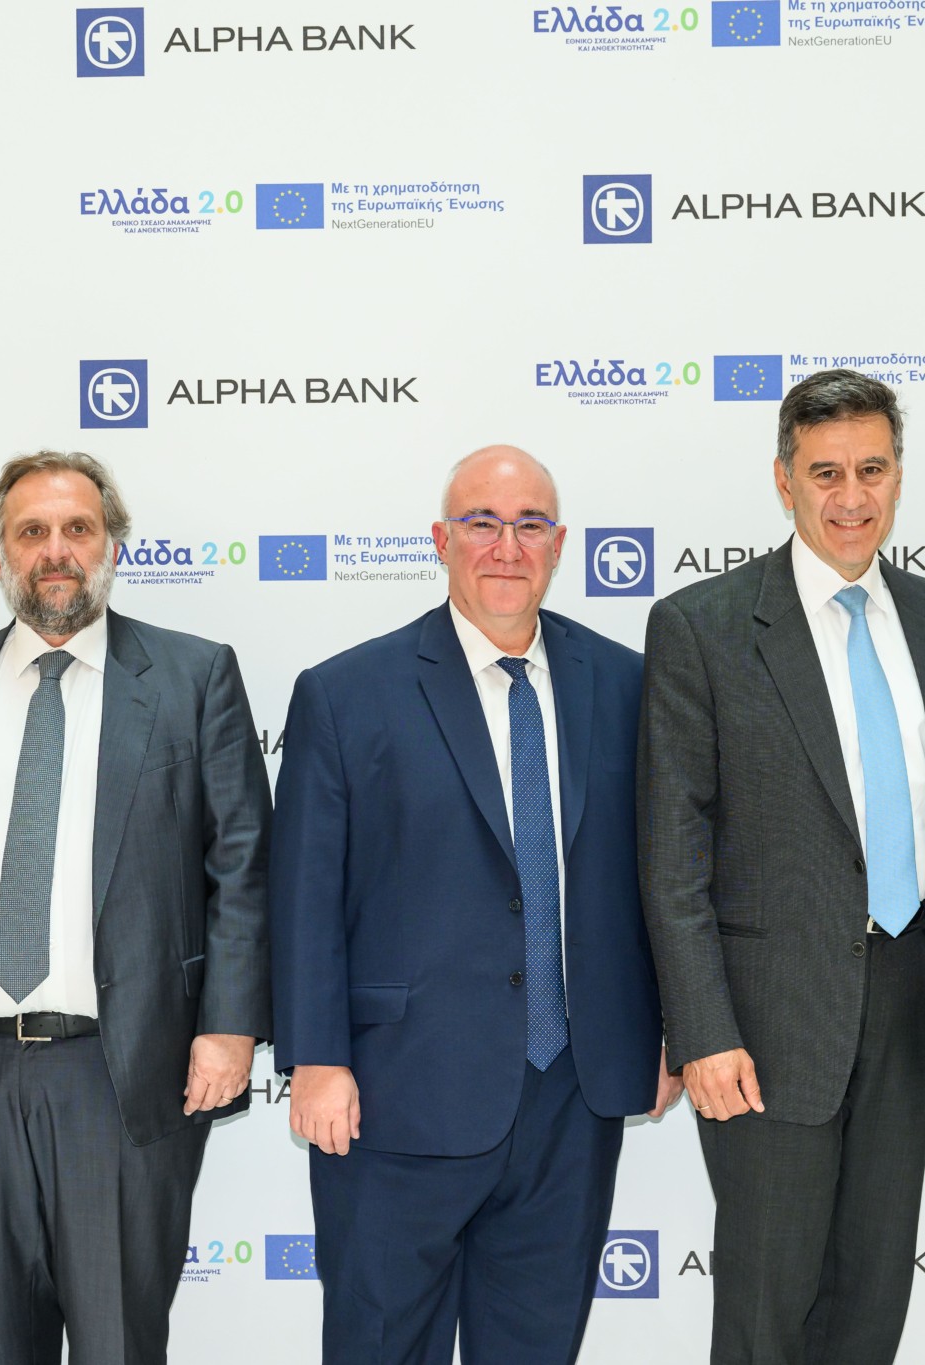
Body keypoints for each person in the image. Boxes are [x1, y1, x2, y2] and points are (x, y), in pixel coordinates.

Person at [0, 450, 271, 1365]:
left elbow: (241, 863)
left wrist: (230, 1024)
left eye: (78, 528)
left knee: (119, 1342)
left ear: (111, 544)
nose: (56, 550)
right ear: (0, 555)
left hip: (124, 1072)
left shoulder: (195, 677)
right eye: (31, 531)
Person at [271, 445, 677, 1365]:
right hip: (396, 1096)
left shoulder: (629, 684)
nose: (507, 545)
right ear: (440, 540)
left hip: (573, 1096)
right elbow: (304, 894)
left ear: (560, 544)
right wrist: (317, 1058)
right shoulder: (346, 693)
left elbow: (665, 872)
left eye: (530, 524)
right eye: (482, 523)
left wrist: (669, 1031)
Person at [639, 369, 925, 1365]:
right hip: (766, 1026)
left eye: (872, 470)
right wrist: (702, 1031)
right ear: (783, 481)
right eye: (826, 473)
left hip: (911, 1002)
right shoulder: (703, 626)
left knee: (871, 1303)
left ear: (899, 476)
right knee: (766, 1309)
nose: (852, 497)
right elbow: (673, 858)